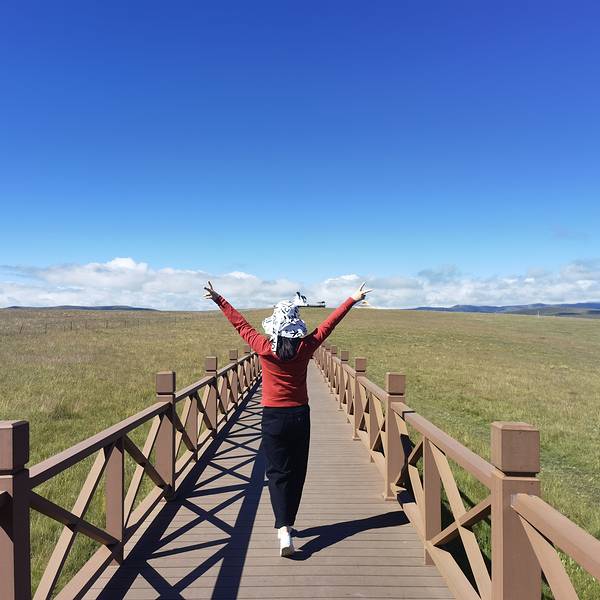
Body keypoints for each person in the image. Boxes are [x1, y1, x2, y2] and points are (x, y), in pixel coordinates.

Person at [203, 281, 373, 556]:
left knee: (277, 472)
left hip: (272, 417)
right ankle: (289, 522)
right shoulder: (305, 347)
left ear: (274, 324)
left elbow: (240, 325)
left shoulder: (263, 347)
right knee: (297, 471)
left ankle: (283, 529)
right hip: (299, 416)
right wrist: (352, 299)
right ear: (296, 325)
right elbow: (329, 324)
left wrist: (218, 299)